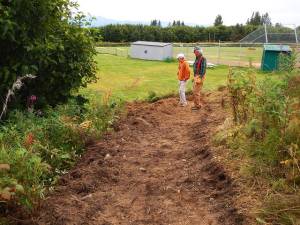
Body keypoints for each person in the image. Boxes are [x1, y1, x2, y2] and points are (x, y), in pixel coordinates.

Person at [192, 46, 207, 111]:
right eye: (194, 52)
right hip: (196, 76)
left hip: (199, 76)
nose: (194, 53)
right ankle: (196, 105)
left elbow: (203, 69)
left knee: (196, 92)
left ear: (199, 52)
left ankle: (197, 106)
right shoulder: (197, 58)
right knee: (194, 91)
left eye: (195, 52)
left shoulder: (203, 58)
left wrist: (199, 78)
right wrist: (195, 77)